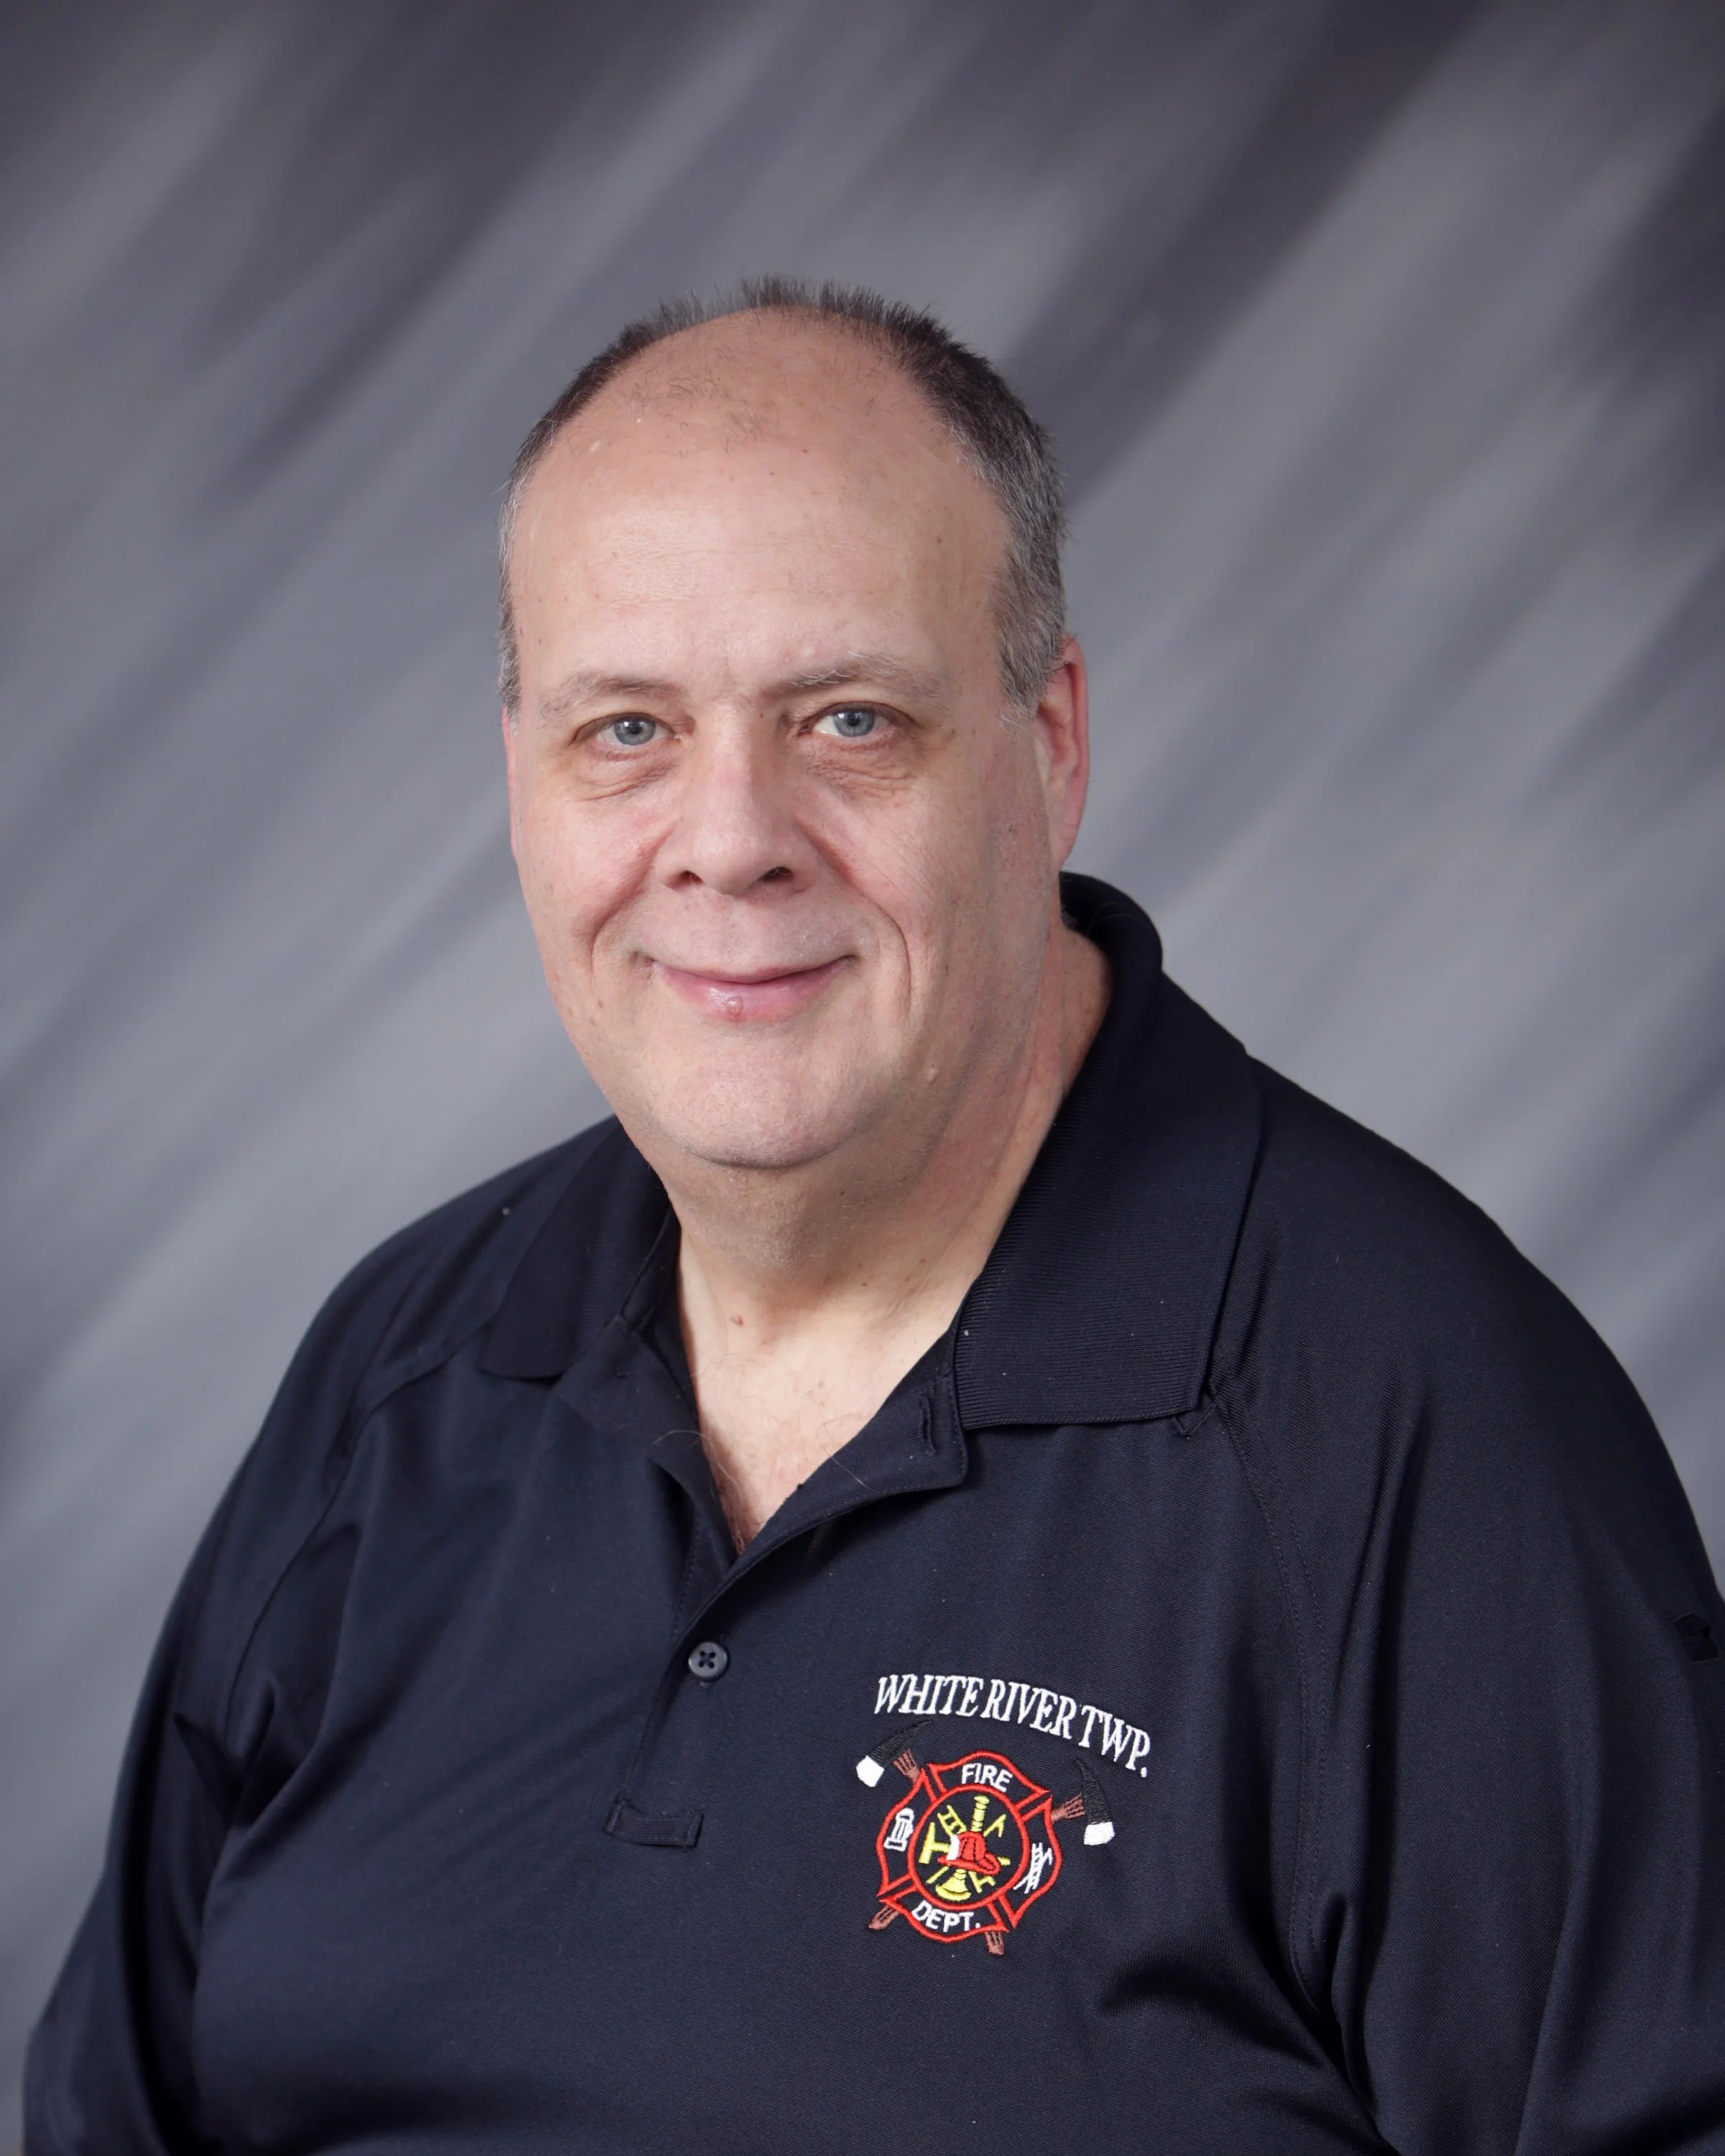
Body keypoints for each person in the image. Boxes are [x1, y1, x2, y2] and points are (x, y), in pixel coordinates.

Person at [25, 280, 1725, 2155]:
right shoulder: (405, 1374)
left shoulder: (1412, 1438)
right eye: (625, 731)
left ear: (1048, 749)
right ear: (515, 776)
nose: (729, 834)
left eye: (848, 719)